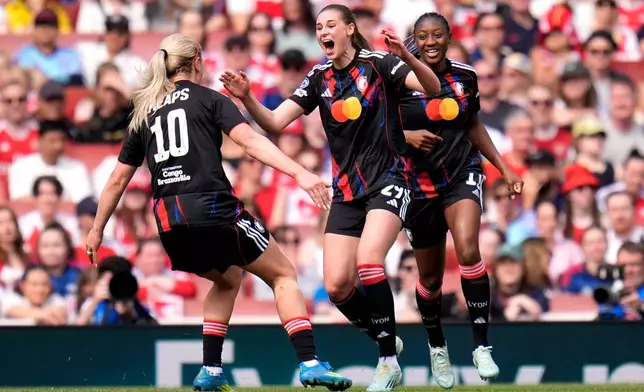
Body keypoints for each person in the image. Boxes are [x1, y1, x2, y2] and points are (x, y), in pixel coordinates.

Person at [85, 33, 351, 392]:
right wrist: (300, 173)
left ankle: (210, 371)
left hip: (169, 223)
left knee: (227, 278)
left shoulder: (145, 112)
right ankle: (310, 363)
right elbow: (251, 142)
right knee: (283, 274)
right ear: (196, 60)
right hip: (213, 209)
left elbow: (118, 180)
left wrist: (96, 230)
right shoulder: (209, 99)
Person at [220, 4, 442, 390]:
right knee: (338, 286)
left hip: (390, 179)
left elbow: (433, 89)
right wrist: (247, 98)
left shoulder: (380, 64)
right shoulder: (318, 77)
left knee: (369, 261)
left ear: (350, 29)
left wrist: (406, 56)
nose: (323, 31)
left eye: (331, 25)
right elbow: (273, 121)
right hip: (347, 191)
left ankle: (388, 361)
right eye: (319, 26)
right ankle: (385, 337)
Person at [399, 12, 524, 388]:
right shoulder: (398, 80)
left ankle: (481, 346)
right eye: (423, 36)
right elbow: (379, 127)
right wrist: (407, 137)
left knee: (469, 248)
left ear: (450, 37)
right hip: (418, 183)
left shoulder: (465, 76)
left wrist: (504, 167)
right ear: (414, 40)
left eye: (438, 34)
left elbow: (472, 125)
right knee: (431, 278)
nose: (431, 41)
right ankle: (437, 345)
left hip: (461, 173)